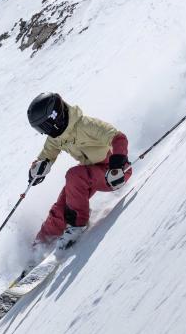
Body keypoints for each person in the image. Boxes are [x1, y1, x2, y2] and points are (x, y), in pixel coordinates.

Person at [26, 92, 132, 245]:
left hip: (114, 173)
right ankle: (40, 244)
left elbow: (118, 137)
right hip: (89, 173)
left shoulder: (85, 125)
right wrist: (38, 169)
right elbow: (46, 156)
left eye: (45, 126)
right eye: (40, 128)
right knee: (62, 204)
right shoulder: (56, 137)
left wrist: (118, 164)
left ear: (55, 117)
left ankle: (77, 225)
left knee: (74, 176)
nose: (45, 131)